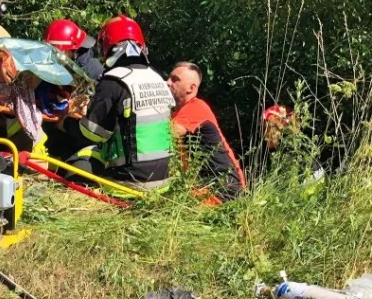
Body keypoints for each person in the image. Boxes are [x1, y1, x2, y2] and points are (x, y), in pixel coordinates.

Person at [61, 15, 173, 189]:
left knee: (77, 164)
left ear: (107, 47)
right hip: (164, 183)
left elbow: (93, 133)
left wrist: (67, 123)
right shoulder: (158, 79)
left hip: (128, 183)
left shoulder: (114, 80)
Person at [168, 62, 246, 204]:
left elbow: (166, 135)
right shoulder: (177, 114)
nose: (167, 82)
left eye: (175, 79)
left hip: (224, 189)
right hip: (205, 187)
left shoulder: (196, 107)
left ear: (191, 88)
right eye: (169, 78)